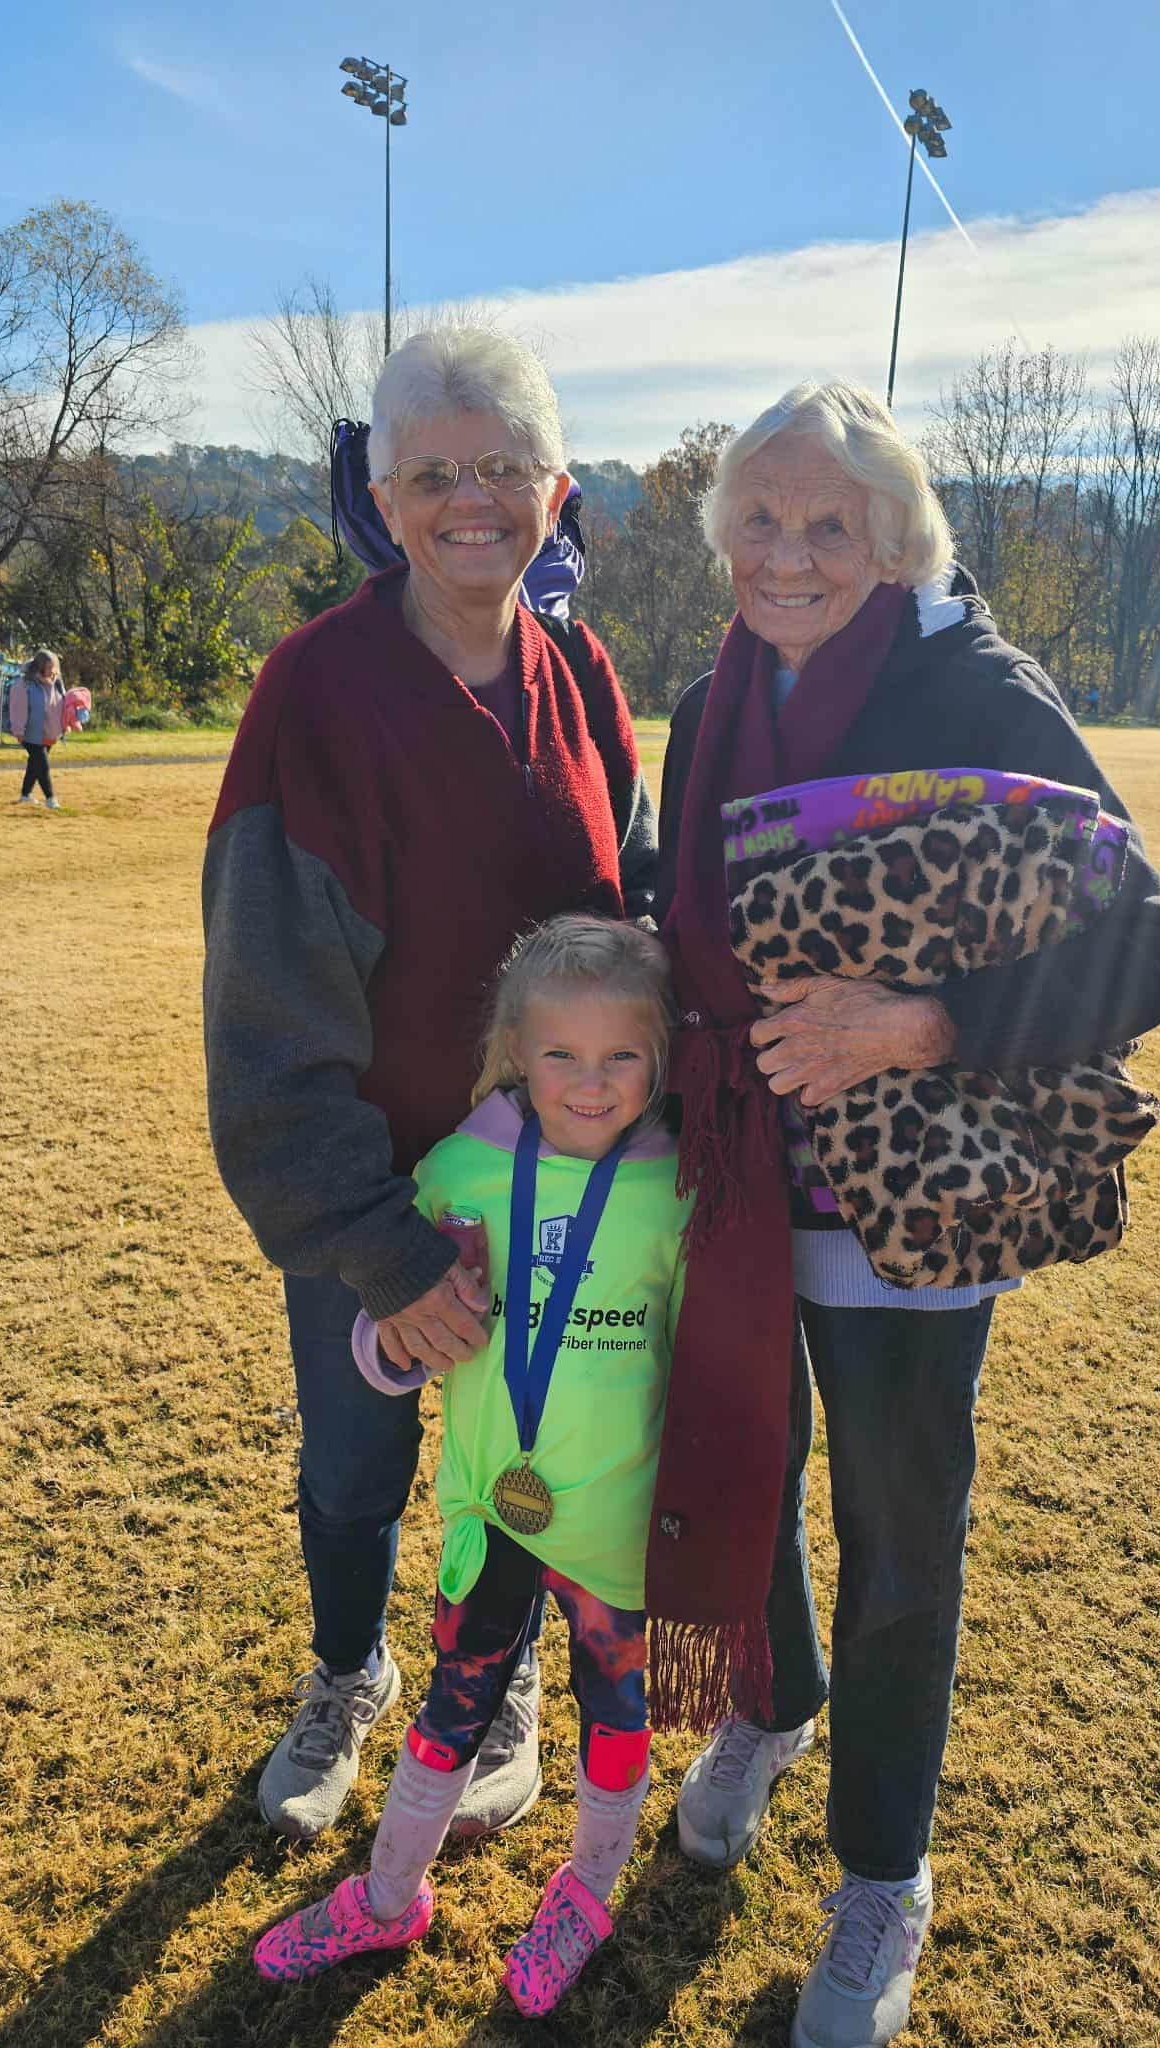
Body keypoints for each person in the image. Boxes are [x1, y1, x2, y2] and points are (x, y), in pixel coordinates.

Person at [653, 381, 1160, 2048]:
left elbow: (1150, 945)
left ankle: (882, 1870)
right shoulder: (704, 703)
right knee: (748, 1466)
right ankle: (777, 1698)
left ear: (896, 536)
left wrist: (922, 1018)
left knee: (901, 1533)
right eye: (760, 518)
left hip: (914, 1214)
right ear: (720, 533)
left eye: (830, 522)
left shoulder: (977, 690)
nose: (791, 554)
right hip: (735, 1192)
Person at [202, 327, 658, 1845]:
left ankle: (504, 1673)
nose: (472, 500)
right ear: (381, 498)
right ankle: (347, 1672)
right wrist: (391, 1258)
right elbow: (266, 1036)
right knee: (356, 1462)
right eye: (432, 474)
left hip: (562, 1199)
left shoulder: (582, 668)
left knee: (525, 1456)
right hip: (383, 1204)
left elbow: (637, 912)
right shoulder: (314, 696)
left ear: (556, 488)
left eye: (503, 467)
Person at [252, 915, 688, 2015]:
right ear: (512, 1049)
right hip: (492, 1513)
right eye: (560, 1055)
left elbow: (710, 1367)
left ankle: (588, 1890)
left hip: (617, 1534)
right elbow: (393, 1332)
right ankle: (390, 1891)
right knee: (451, 1699)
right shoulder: (458, 1167)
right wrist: (393, 1340)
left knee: (615, 1712)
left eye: (621, 1055)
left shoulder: (684, 1189)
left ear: (662, 1055)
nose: (590, 1084)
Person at [15, 650, 65, 809]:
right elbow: (18, 707)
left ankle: (25, 794)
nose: (52, 671)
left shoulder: (56, 682)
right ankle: (50, 798)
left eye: (53, 667)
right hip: (30, 733)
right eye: (48, 667)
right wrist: (18, 730)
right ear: (40, 667)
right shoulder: (25, 683)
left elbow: (62, 704)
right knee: (42, 765)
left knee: (35, 764)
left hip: (49, 732)